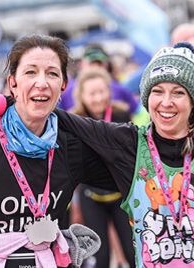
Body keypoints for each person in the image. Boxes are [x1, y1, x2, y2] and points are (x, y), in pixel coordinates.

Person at [0, 41, 194, 267]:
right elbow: (50, 110)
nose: (166, 102)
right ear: (147, 97)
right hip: (97, 204)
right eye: (157, 91)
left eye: (178, 93)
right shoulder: (129, 142)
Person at [68, 66, 134, 268]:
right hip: (91, 197)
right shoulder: (75, 120)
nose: (98, 98)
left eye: (101, 92)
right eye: (92, 94)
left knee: (134, 254)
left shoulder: (121, 115)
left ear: (109, 91)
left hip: (121, 198)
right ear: (82, 96)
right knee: (99, 258)